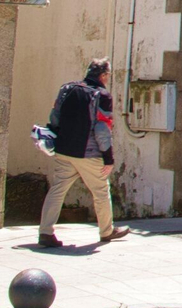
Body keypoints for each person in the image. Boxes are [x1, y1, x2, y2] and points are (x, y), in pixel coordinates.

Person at [39, 58, 129, 247]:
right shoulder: (102, 95)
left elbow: (55, 116)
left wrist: (53, 136)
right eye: (108, 75)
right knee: (101, 191)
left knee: (57, 190)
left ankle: (45, 232)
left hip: (64, 149)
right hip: (89, 154)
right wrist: (108, 157)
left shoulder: (67, 88)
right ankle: (106, 231)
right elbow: (102, 130)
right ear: (103, 75)